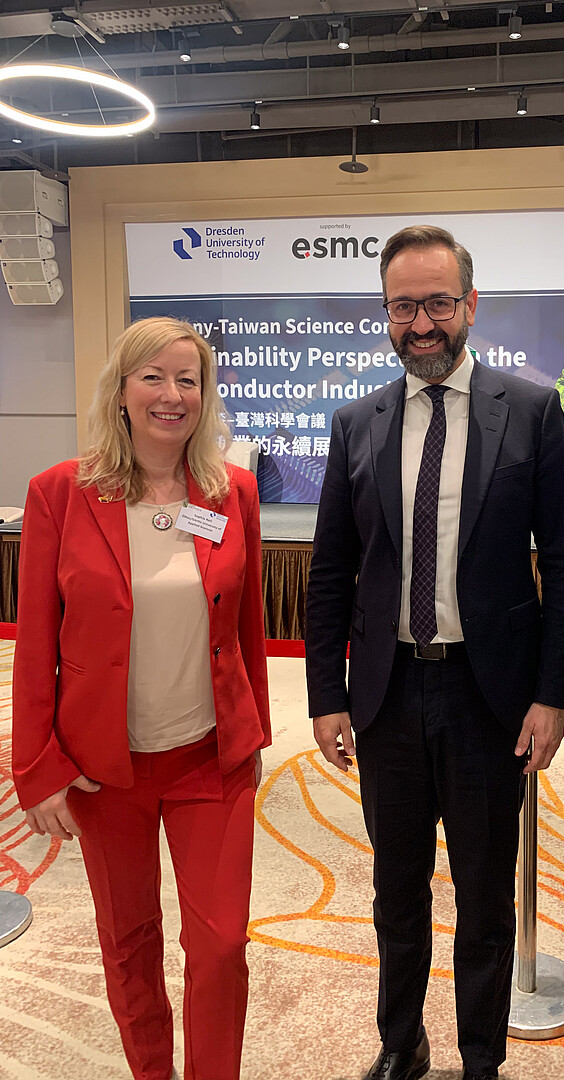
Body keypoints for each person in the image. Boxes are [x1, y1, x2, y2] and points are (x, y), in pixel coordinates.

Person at [305, 225, 564, 1080]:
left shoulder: (530, 410)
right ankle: (403, 1042)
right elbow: (331, 571)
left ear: (470, 304)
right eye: (403, 307)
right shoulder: (355, 423)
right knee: (396, 890)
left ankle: (480, 1057)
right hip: (386, 695)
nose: (421, 324)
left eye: (436, 303)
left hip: (488, 698)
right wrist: (326, 696)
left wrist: (553, 695)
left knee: (485, 898)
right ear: (385, 314)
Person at [12, 316, 271, 1080]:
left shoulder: (232, 493)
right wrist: (36, 766)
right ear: (121, 391)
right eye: (152, 377)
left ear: (205, 394)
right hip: (104, 769)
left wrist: (253, 730)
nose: (171, 394)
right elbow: (36, 642)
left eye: (188, 379)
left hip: (209, 761)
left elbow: (248, 629)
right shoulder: (61, 494)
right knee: (129, 942)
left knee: (221, 945)